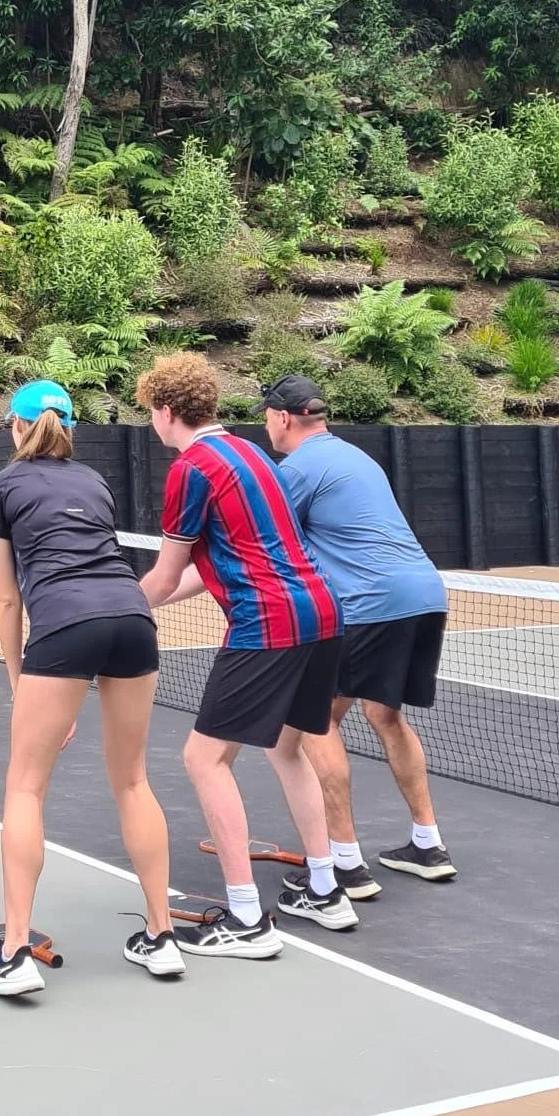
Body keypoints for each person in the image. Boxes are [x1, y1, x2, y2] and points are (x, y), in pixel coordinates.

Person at [135, 352, 360, 956]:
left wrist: (112, 609)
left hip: (270, 622)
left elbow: (162, 576)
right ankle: (324, 889)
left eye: (150, 411)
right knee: (289, 747)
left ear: (164, 409)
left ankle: (244, 919)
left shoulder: (193, 469)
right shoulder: (252, 454)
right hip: (322, 612)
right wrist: (139, 603)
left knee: (204, 759)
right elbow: (207, 572)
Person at [0, 381, 183, 995]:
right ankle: (162, 935)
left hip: (64, 625)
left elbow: (8, 598)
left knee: (25, 787)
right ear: (69, 429)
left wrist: (20, 683)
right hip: (134, 620)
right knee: (135, 780)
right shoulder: (94, 482)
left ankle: (13, 953)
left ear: (15, 426)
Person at [263, 374, 455, 896]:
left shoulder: (295, 469)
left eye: (266, 417)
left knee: (317, 718)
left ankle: (345, 863)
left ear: (282, 418)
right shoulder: (357, 457)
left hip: (370, 605)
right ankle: (427, 844)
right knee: (384, 712)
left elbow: (272, 547)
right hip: (425, 595)